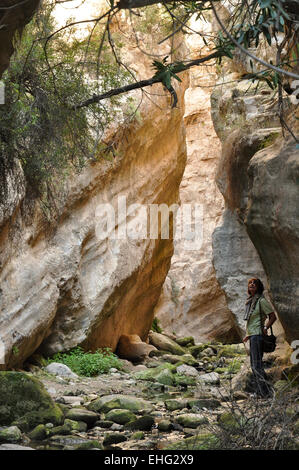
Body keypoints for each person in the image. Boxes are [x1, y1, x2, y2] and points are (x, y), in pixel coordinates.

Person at [243, 278, 276, 397]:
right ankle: (262, 391)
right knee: (255, 364)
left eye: (254, 283)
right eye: (250, 283)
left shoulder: (261, 301)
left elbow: (272, 316)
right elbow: (252, 322)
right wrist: (247, 336)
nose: (251, 284)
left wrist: (266, 328)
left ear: (258, 287)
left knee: (256, 365)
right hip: (253, 336)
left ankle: (264, 392)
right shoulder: (251, 301)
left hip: (258, 336)